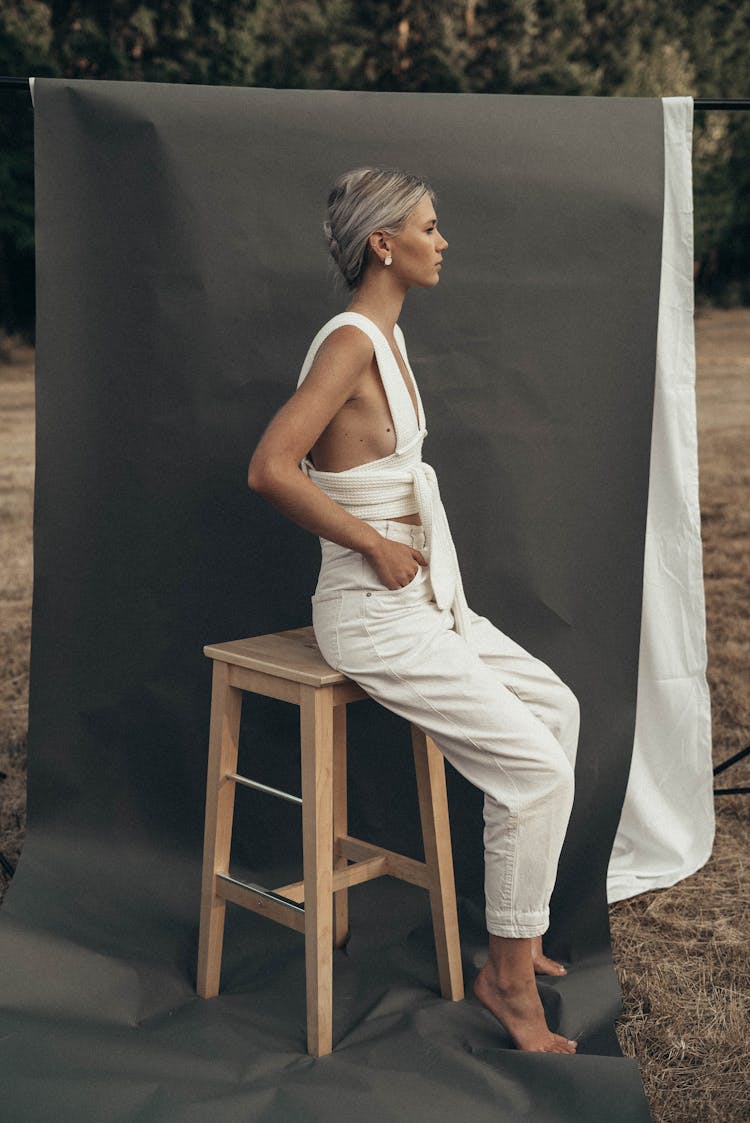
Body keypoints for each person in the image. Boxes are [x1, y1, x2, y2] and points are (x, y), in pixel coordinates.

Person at [248, 166, 580, 1054]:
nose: (444, 241)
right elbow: (270, 467)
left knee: (558, 709)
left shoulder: (388, 339)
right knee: (535, 770)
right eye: (428, 228)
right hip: (370, 607)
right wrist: (373, 541)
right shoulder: (352, 341)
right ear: (383, 244)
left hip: (426, 599)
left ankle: (523, 938)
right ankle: (506, 985)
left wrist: (405, 554)